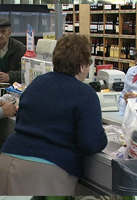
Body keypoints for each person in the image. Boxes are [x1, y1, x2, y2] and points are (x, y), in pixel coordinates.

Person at [0, 34, 108, 195]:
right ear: (82, 66)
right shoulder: (85, 94)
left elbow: (21, 119)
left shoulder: (37, 83)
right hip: (47, 170)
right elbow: (90, 142)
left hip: (8, 159)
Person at [0, 17, 26, 84]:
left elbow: (25, 72)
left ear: (9, 32)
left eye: (3, 31)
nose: (0, 35)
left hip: (14, 90)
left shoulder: (19, 48)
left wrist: (9, 76)